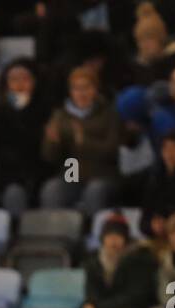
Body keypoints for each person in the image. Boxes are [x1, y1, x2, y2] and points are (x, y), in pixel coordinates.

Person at [40, 66, 121, 217]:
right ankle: (55, 232)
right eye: (76, 88)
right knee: (52, 189)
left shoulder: (109, 114)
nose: (81, 93)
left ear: (95, 89)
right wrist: (52, 142)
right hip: (72, 172)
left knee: (94, 191)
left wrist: (85, 142)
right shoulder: (60, 115)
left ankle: (92, 235)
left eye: (86, 88)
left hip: (101, 174)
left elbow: (112, 150)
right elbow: (50, 157)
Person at [0, 58, 49, 216]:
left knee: (14, 192)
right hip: (2, 173)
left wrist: (22, 113)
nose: (19, 84)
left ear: (35, 82)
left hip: (35, 174)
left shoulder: (47, 111)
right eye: (14, 79)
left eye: (25, 79)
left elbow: (42, 151)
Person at [78, 214, 157, 308]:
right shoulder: (94, 261)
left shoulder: (139, 258)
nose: (113, 241)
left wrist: (98, 306)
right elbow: (91, 290)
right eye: (109, 236)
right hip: (104, 307)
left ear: (125, 238)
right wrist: (90, 305)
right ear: (103, 238)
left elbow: (135, 297)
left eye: (118, 236)